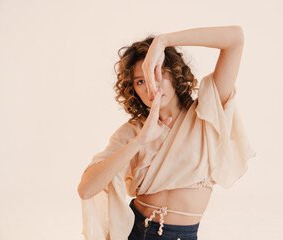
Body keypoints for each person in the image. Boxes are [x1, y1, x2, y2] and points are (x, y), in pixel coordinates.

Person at [77, 26, 256, 240]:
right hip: (135, 232)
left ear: (174, 73)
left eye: (156, 72)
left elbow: (235, 38)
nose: (150, 85)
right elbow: (86, 190)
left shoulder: (206, 114)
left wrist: (163, 41)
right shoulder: (133, 132)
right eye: (140, 81)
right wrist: (140, 141)